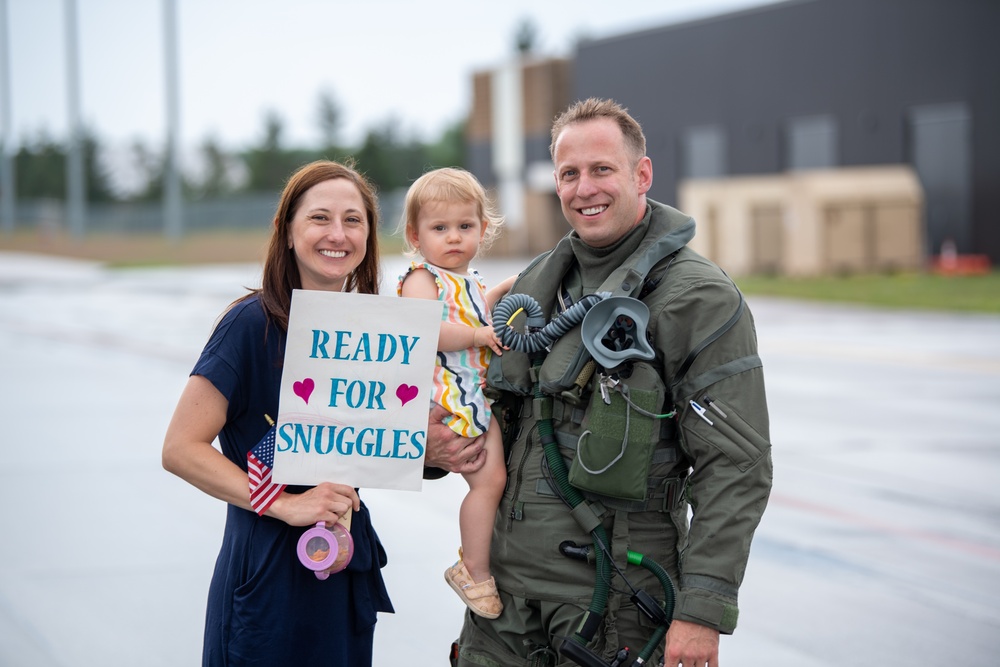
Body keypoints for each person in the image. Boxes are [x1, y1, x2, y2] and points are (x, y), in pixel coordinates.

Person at [448, 98, 774, 666]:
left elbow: (737, 464)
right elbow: (477, 408)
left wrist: (701, 611)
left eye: (602, 169)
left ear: (641, 174)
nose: (584, 189)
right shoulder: (532, 289)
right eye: (569, 174)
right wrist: (438, 447)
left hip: (618, 599)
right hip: (504, 605)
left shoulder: (696, 298)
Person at [162, 160, 394, 666]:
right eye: (320, 218)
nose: (338, 234)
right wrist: (286, 505)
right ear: (287, 232)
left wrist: (438, 449)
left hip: (342, 572)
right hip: (268, 575)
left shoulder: (374, 333)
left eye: (353, 220)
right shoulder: (251, 325)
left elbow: (378, 445)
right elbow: (180, 449)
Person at [397, 167, 513, 620]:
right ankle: (474, 571)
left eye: (465, 227)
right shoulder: (421, 278)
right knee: (489, 480)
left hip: (472, 392)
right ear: (415, 234)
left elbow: (477, 313)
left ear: (482, 231)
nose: (453, 238)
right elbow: (425, 330)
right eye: (439, 228)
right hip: (446, 397)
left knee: (495, 480)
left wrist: (507, 290)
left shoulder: (469, 280)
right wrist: (481, 336)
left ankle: (479, 563)